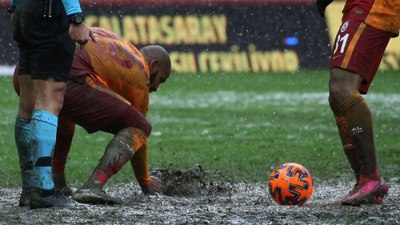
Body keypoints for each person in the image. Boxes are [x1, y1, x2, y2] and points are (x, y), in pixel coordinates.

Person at [14, 27, 171, 205]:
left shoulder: (117, 41)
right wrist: (145, 181)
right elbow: (138, 136)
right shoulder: (140, 71)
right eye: (161, 80)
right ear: (154, 65)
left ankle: (54, 183)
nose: (156, 88)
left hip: (26, 69)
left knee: (65, 117)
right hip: (65, 74)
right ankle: (93, 185)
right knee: (141, 126)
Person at [10, 0, 95, 209]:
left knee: (27, 105)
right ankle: (44, 190)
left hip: (25, 11)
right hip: (49, 12)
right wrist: (76, 17)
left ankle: (30, 188)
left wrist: (15, 6)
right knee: (49, 99)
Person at [316, 0, 399, 205]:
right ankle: (365, 181)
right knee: (337, 94)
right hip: (364, 5)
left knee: (342, 88)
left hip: (373, 4)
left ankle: (370, 180)